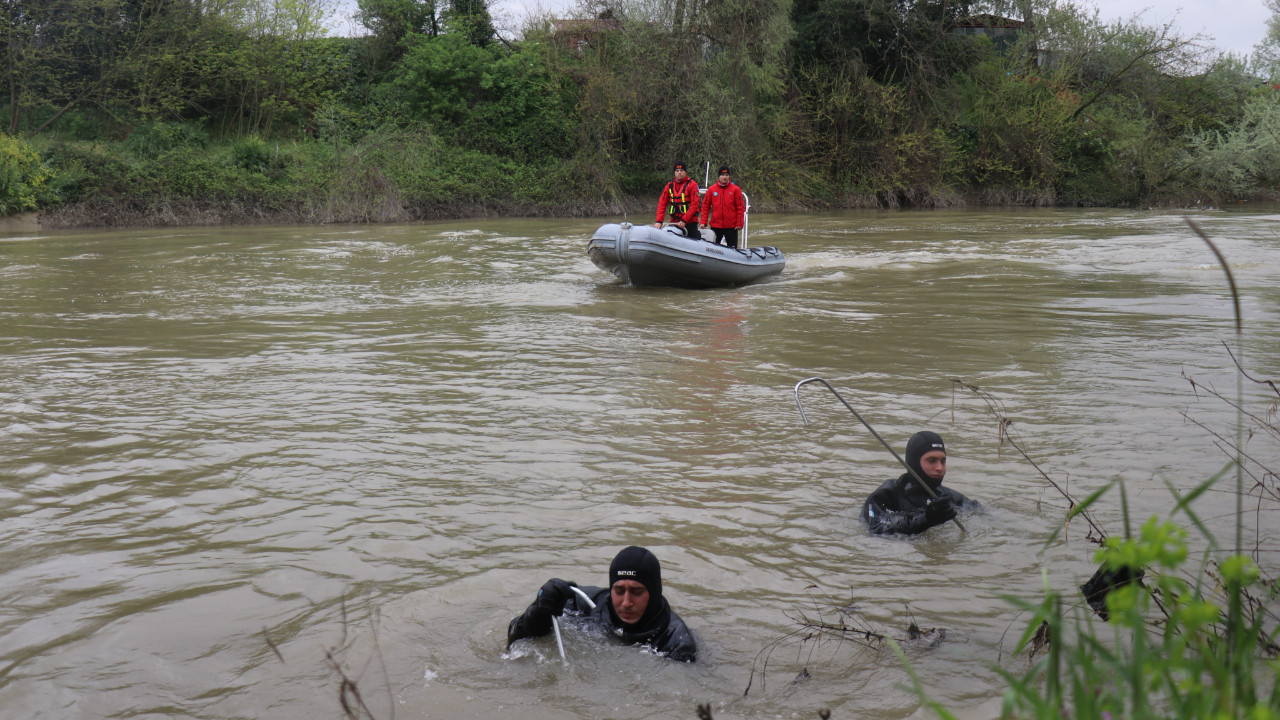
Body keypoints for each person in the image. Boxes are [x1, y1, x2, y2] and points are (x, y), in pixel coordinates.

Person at [506, 546, 697, 662]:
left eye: (637, 592)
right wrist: (539, 610)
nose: (626, 602)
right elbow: (515, 639)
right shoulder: (583, 604)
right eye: (619, 591)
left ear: (654, 592)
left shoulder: (675, 642)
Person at [862, 431, 975, 536]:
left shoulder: (950, 498)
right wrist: (926, 520)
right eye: (932, 460)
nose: (939, 467)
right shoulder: (885, 496)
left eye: (943, 461)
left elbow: (984, 516)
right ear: (914, 462)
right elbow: (877, 531)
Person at [699, 166, 745, 248]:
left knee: (733, 249)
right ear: (719, 176)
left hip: (731, 226)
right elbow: (705, 206)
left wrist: (739, 223)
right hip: (716, 226)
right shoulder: (711, 189)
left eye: (727, 175)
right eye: (723, 175)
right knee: (712, 248)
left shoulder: (736, 189)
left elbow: (740, 207)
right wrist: (703, 221)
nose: (725, 177)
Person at [654, 161, 701, 239]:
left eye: (681, 170)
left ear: (685, 172)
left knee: (693, 238)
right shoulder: (670, 185)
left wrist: (684, 220)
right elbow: (662, 204)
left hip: (690, 221)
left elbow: (694, 205)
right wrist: (659, 221)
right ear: (674, 172)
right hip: (674, 221)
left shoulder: (692, 185)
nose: (679, 172)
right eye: (677, 171)